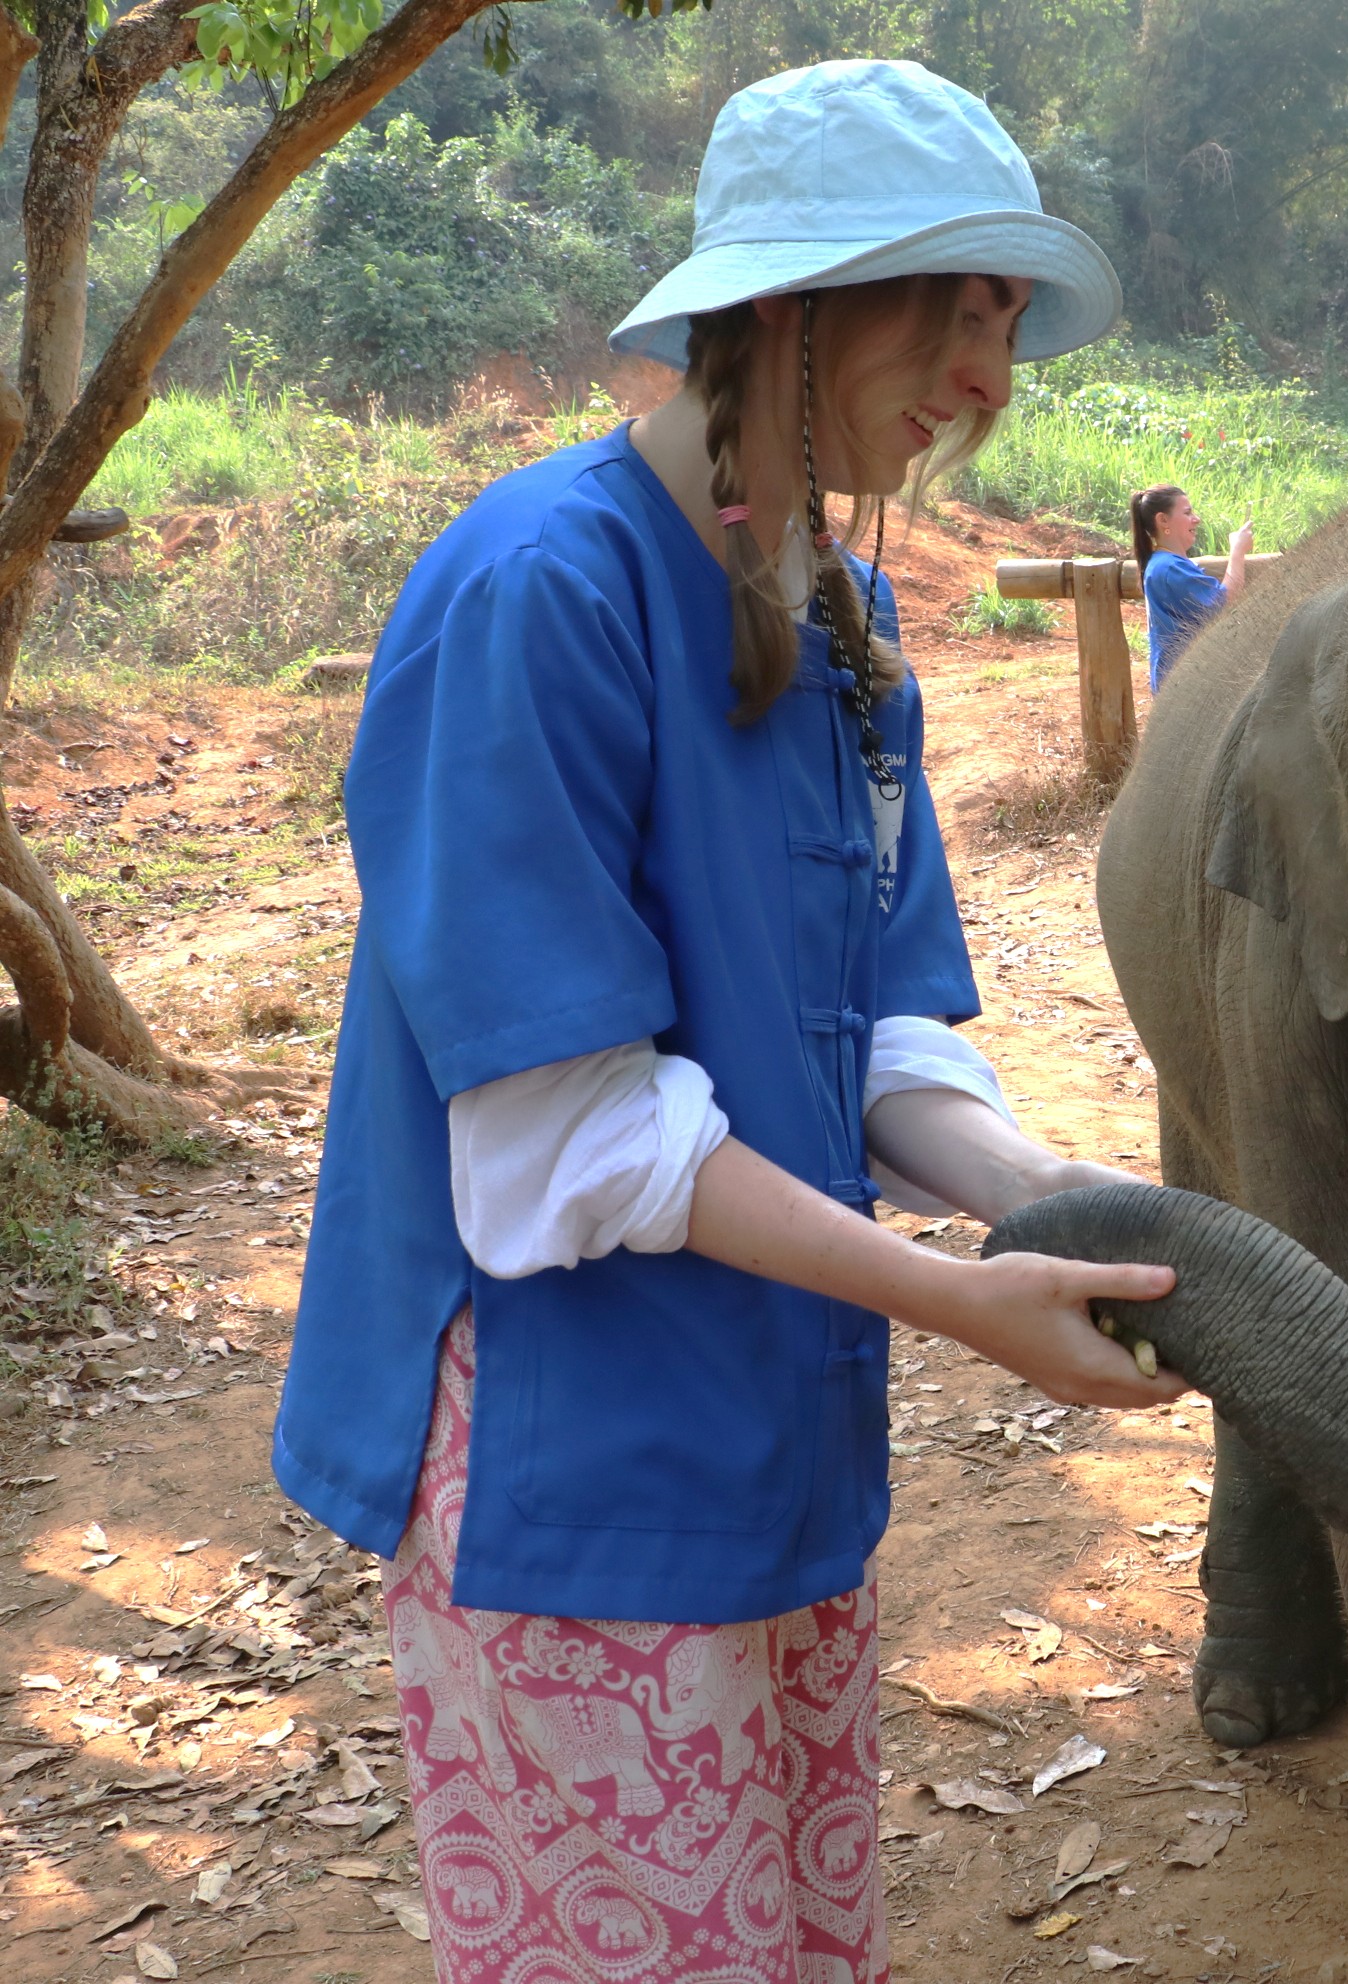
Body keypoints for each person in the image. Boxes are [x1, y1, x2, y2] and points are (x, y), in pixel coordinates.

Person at [271, 60, 1181, 1984]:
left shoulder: (846, 625)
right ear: (784, 308)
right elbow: (569, 1132)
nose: (987, 370)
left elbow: (887, 1040)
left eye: (1006, 318)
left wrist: (1052, 1198)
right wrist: (949, 1297)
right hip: (568, 1464)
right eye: (954, 302)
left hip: (768, 1437)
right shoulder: (543, 589)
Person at [1134, 482, 1251, 692]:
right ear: (1163, 520)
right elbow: (1224, 601)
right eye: (1187, 513)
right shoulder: (1170, 568)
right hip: (1185, 687)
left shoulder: (1163, 564)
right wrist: (1238, 550)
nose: (1196, 519)